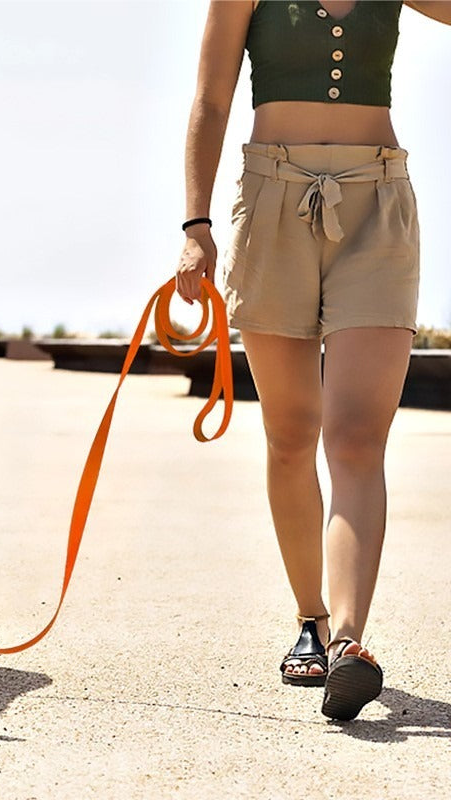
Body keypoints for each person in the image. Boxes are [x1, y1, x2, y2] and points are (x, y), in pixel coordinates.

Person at [175, 0, 451, 721]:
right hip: (270, 201)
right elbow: (209, 99)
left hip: (378, 201)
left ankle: (351, 642)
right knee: (292, 434)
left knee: (357, 436)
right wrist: (196, 226)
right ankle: (312, 619)